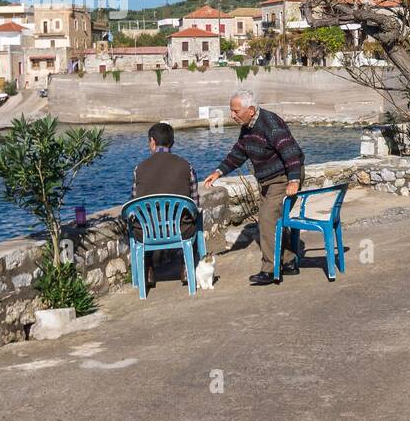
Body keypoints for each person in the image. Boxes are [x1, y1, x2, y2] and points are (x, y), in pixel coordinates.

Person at [202, 90, 305, 285]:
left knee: (267, 220)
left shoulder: (270, 124)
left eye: (235, 111)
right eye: (231, 110)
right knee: (274, 219)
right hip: (268, 179)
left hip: (283, 178)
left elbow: (290, 152)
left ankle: (270, 270)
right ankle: (289, 262)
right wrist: (219, 172)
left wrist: (293, 181)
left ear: (250, 110)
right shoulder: (247, 126)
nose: (232, 115)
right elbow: (239, 152)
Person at [131, 122, 200, 284]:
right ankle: (185, 268)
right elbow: (195, 204)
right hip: (180, 230)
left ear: (152, 141)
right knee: (195, 220)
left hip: (147, 233)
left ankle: (148, 271)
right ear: (173, 143)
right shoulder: (186, 166)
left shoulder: (138, 169)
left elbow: (134, 205)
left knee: (141, 221)